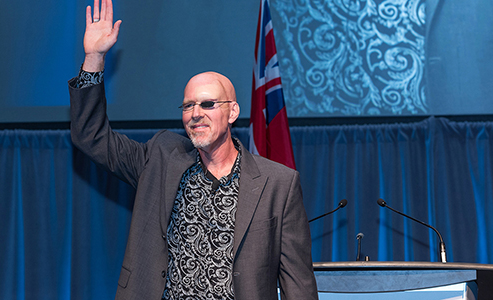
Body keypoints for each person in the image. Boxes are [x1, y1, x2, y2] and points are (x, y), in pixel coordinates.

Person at [68, 0, 318, 299]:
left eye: (208, 104)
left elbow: (298, 283)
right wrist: (94, 57)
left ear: (233, 112)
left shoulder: (278, 183)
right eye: (188, 105)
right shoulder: (160, 159)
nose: (195, 113)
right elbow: (90, 136)